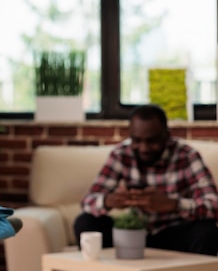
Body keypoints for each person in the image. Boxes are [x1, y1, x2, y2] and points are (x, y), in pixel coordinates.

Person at [74, 104, 218, 256]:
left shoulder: (187, 156)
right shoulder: (121, 154)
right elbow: (87, 201)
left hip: (175, 233)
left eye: (152, 141)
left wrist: (172, 204)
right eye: (137, 140)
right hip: (133, 233)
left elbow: (214, 205)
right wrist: (109, 201)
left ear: (167, 135)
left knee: (207, 232)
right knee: (86, 222)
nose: (144, 148)